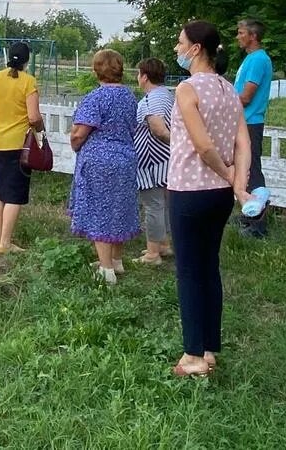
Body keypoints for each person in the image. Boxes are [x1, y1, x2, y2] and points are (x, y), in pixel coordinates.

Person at [167, 21, 254, 377]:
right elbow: (243, 144)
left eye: (180, 42)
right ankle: (209, 347)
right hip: (219, 196)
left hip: (189, 192)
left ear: (197, 48)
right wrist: (237, 182)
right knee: (208, 268)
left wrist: (228, 175)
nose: (177, 48)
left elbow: (203, 146)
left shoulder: (187, 89)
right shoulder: (228, 89)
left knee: (189, 271)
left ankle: (192, 357)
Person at [69, 49, 140, 285]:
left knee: (99, 209)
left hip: (100, 160)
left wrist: (75, 143)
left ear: (96, 70)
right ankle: (117, 260)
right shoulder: (130, 96)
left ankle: (106, 269)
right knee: (119, 206)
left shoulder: (96, 97)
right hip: (126, 158)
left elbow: (80, 133)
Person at [0, 42, 44, 255]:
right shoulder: (28, 82)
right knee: (14, 194)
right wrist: (40, 128)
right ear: (27, 60)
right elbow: (33, 116)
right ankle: (6, 243)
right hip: (18, 143)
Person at [133, 57, 174, 265]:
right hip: (164, 160)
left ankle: (152, 253)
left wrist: (175, 143)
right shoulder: (166, 95)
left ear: (145, 76)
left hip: (151, 161)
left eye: (139, 74)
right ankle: (163, 244)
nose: (137, 78)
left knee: (153, 205)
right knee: (163, 205)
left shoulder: (151, 100)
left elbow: (157, 127)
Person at [234, 19, 273, 237]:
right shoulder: (251, 59)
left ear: (253, 36)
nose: (238, 36)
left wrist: (224, 102)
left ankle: (257, 224)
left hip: (250, 122)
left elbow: (247, 96)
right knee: (245, 170)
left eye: (241, 33)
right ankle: (250, 213)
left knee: (252, 172)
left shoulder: (258, 59)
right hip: (244, 122)